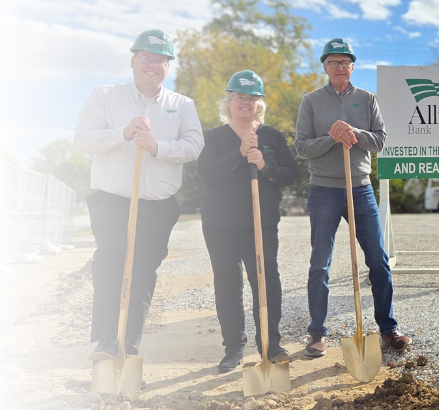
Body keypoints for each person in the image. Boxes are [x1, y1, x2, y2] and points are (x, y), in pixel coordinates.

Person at [73, 29, 204, 360]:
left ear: (168, 67)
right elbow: (83, 140)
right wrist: (122, 133)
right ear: (133, 61)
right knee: (113, 252)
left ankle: (128, 346)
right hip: (111, 199)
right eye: (147, 58)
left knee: (143, 268)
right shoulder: (104, 96)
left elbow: (194, 145)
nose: (153, 65)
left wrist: (158, 146)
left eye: (161, 60)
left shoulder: (182, 105)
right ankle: (105, 341)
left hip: (159, 205)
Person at [296, 38, 410, 357]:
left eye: (345, 62)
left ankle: (388, 329)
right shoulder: (311, 101)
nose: (340, 67)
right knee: (320, 262)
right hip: (323, 190)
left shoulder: (366, 99)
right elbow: (302, 147)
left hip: (359, 188)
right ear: (324, 66)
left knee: (378, 259)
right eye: (333, 62)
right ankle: (317, 333)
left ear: (352, 66)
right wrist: (331, 138)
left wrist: (356, 134)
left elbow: (380, 142)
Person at [198, 71, 298, 372]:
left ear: (259, 104)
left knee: (266, 281)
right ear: (229, 101)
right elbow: (205, 175)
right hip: (220, 223)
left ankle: (271, 344)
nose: (246, 102)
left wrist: (265, 165)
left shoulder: (272, 137)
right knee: (227, 284)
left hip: (261, 222)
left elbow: (292, 174)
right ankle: (233, 348)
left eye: (252, 98)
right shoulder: (213, 137)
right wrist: (239, 154)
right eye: (240, 97)